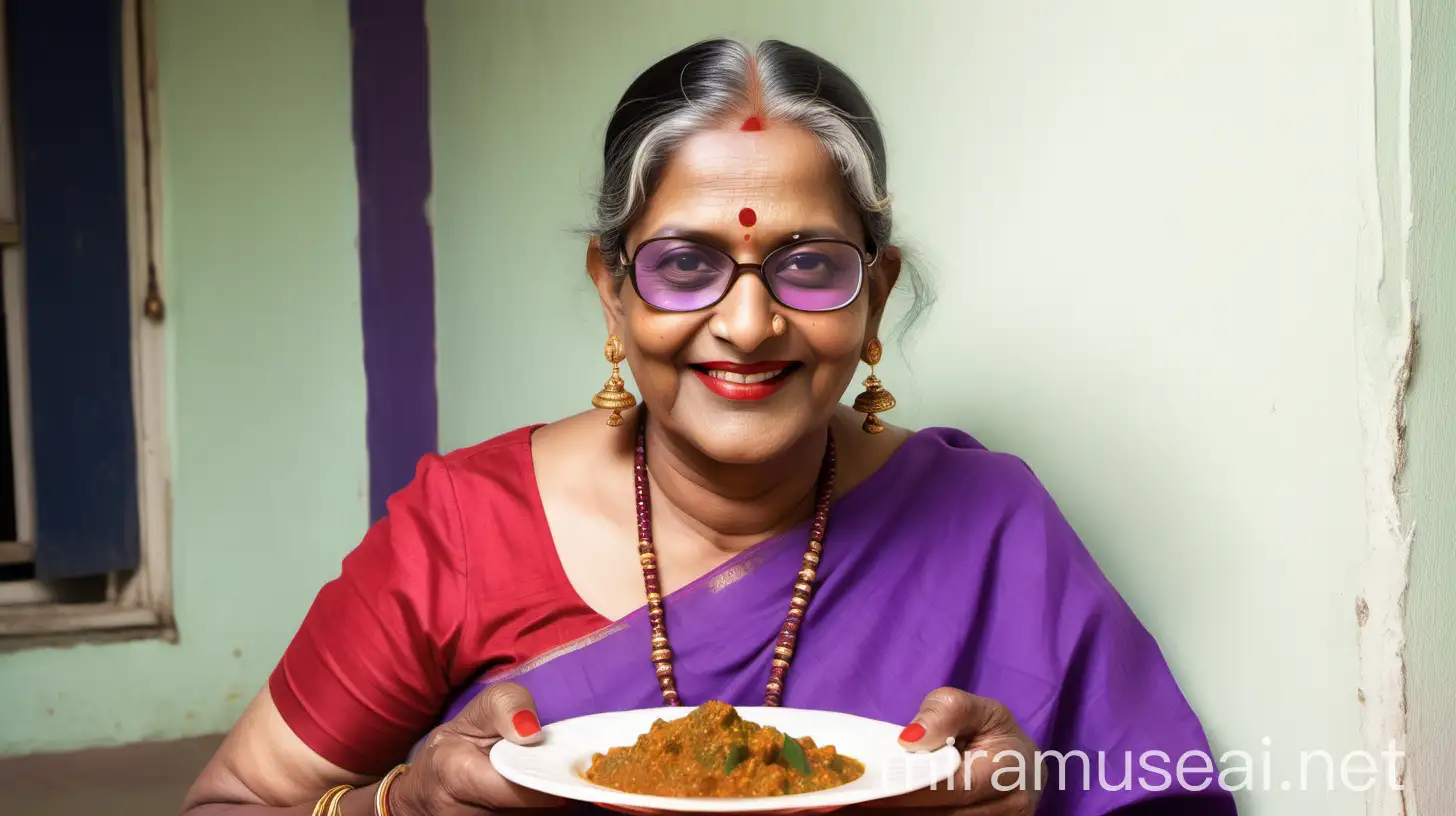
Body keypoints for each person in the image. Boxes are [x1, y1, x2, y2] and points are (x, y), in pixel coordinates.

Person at [182, 39, 1237, 816]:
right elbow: (229, 804)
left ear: (875, 293)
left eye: (808, 264)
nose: (745, 323)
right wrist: (397, 807)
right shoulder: (463, 530)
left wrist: (1026, 796)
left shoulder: (993, 528)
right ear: (610, 289)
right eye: (684, 264)